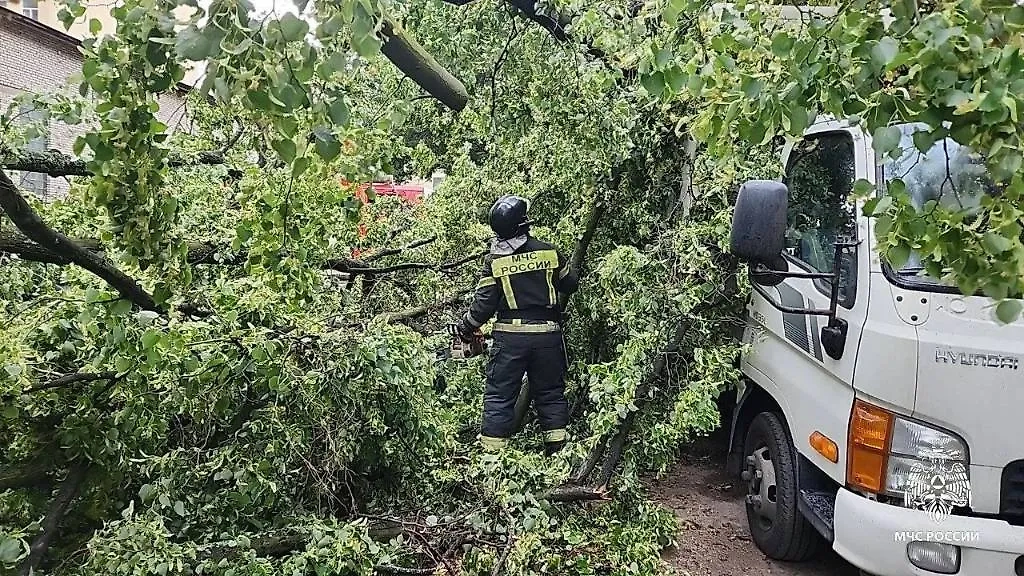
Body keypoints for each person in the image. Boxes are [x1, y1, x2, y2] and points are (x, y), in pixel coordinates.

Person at [454, 195, 579, 456]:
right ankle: (557, 455)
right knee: (551, 393)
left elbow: (483, 306)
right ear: (524, 223)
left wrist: (465, 327)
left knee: (499, 396)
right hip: (547, 336)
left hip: (510, 339)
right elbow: (570, 284)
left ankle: (492, 458)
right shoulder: (549, 252)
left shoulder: (495, 261)